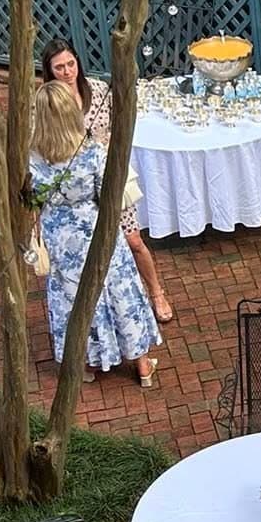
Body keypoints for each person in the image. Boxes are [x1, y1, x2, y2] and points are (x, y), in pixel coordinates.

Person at [29, 80, 161, 386]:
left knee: (72, 297)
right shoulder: (90, 153)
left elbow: (32, 197)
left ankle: (85, 363)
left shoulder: (33, 157)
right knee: (119, 289)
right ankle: (141, 365)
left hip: (59, 236)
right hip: (96, 230)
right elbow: (108, 195)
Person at [42, 37, 175, 324]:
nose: (67, 72)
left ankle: (156, 293)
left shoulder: (99, 90)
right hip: (77, 189)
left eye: (70, 64)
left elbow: (121, 125)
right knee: (94, 251)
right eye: (59, 68)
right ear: (49, 71)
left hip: (111, 178)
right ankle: (106, 311)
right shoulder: (48, 103)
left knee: (134, 240)